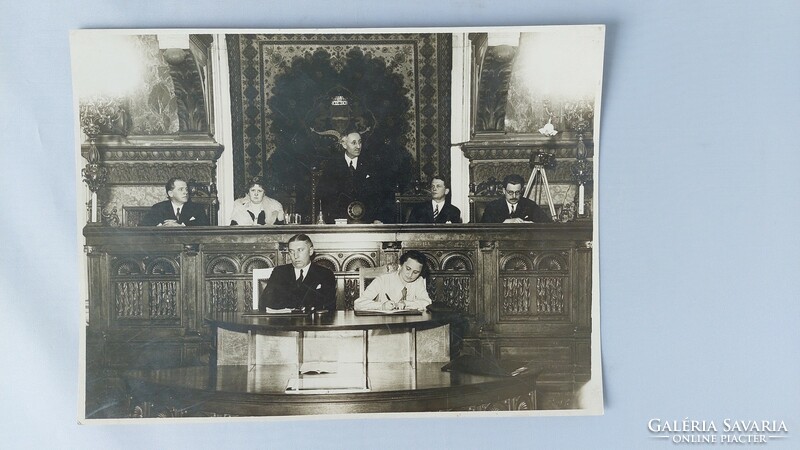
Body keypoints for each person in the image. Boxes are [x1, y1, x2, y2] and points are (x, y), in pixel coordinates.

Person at [317, 129, 385, 224]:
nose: (358, 146)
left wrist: (377, 218)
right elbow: (325, 195)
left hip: (367, 221)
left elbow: (379, 195)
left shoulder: (370, 164)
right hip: (339, 221)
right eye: (354, 143)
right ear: (344, 144)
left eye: (360, 142)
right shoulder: (332, 166)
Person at [259, 234, 336, 312]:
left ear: (311, 251)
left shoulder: (325, 274)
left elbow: (329, 307)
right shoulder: (279, 272)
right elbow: (264, 303)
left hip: (313, 323)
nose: (296, 256)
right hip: (284, 322)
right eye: (292, 252)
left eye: (300, 250)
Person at [354, 250, 433, 312]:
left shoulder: (418, 281)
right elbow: (358, 304)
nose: (410, 275)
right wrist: (382, 306)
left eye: (415, 272)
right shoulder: (382, 280)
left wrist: (406, 304)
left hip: (410, 327)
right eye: (408, 269)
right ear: (400, 266)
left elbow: (427, 303)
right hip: (384, 327)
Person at [480, 174, 552, 224]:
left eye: (517, 192)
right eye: (510, 192)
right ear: (504, 191)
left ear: (522, 191)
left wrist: (532, 224)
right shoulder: (493, 206)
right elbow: (483, 227)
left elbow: (547, 223)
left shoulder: (530, 205)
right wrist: (505, 222)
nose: (514, 196)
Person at [140, 177, 210, 226]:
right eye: (181, 189)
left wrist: (182, 225)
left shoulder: (197, 208)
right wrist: (162, 226)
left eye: (186, 189)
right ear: (171, 193)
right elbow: (143, 225)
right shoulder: (159, 208)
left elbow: (205, 224)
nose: (185, 192)